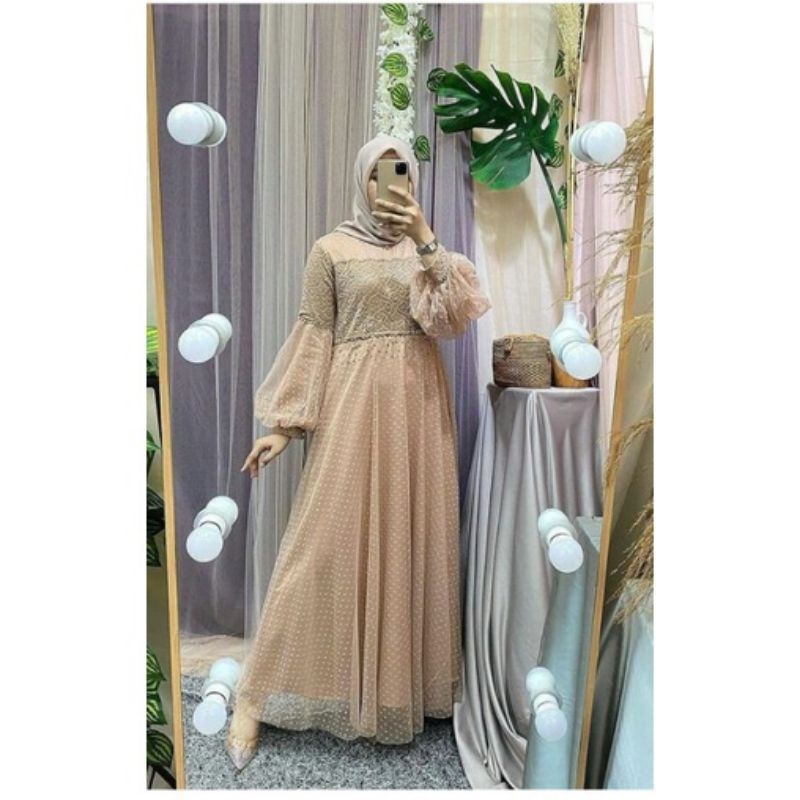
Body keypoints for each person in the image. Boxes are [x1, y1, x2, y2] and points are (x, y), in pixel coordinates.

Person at [225, 133, 492, 771]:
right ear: (361, 181)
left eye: (400, 173)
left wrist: (424, 238)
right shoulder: (331, 250)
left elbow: (455, 317)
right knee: (319, 548)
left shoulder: (430, 252)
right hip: (350, 411)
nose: (389, 186)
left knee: (409, 542)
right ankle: (253, 696)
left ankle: (397, 691)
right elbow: (315, 335)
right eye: (377, 174)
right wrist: (285, 428)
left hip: (418, 415)